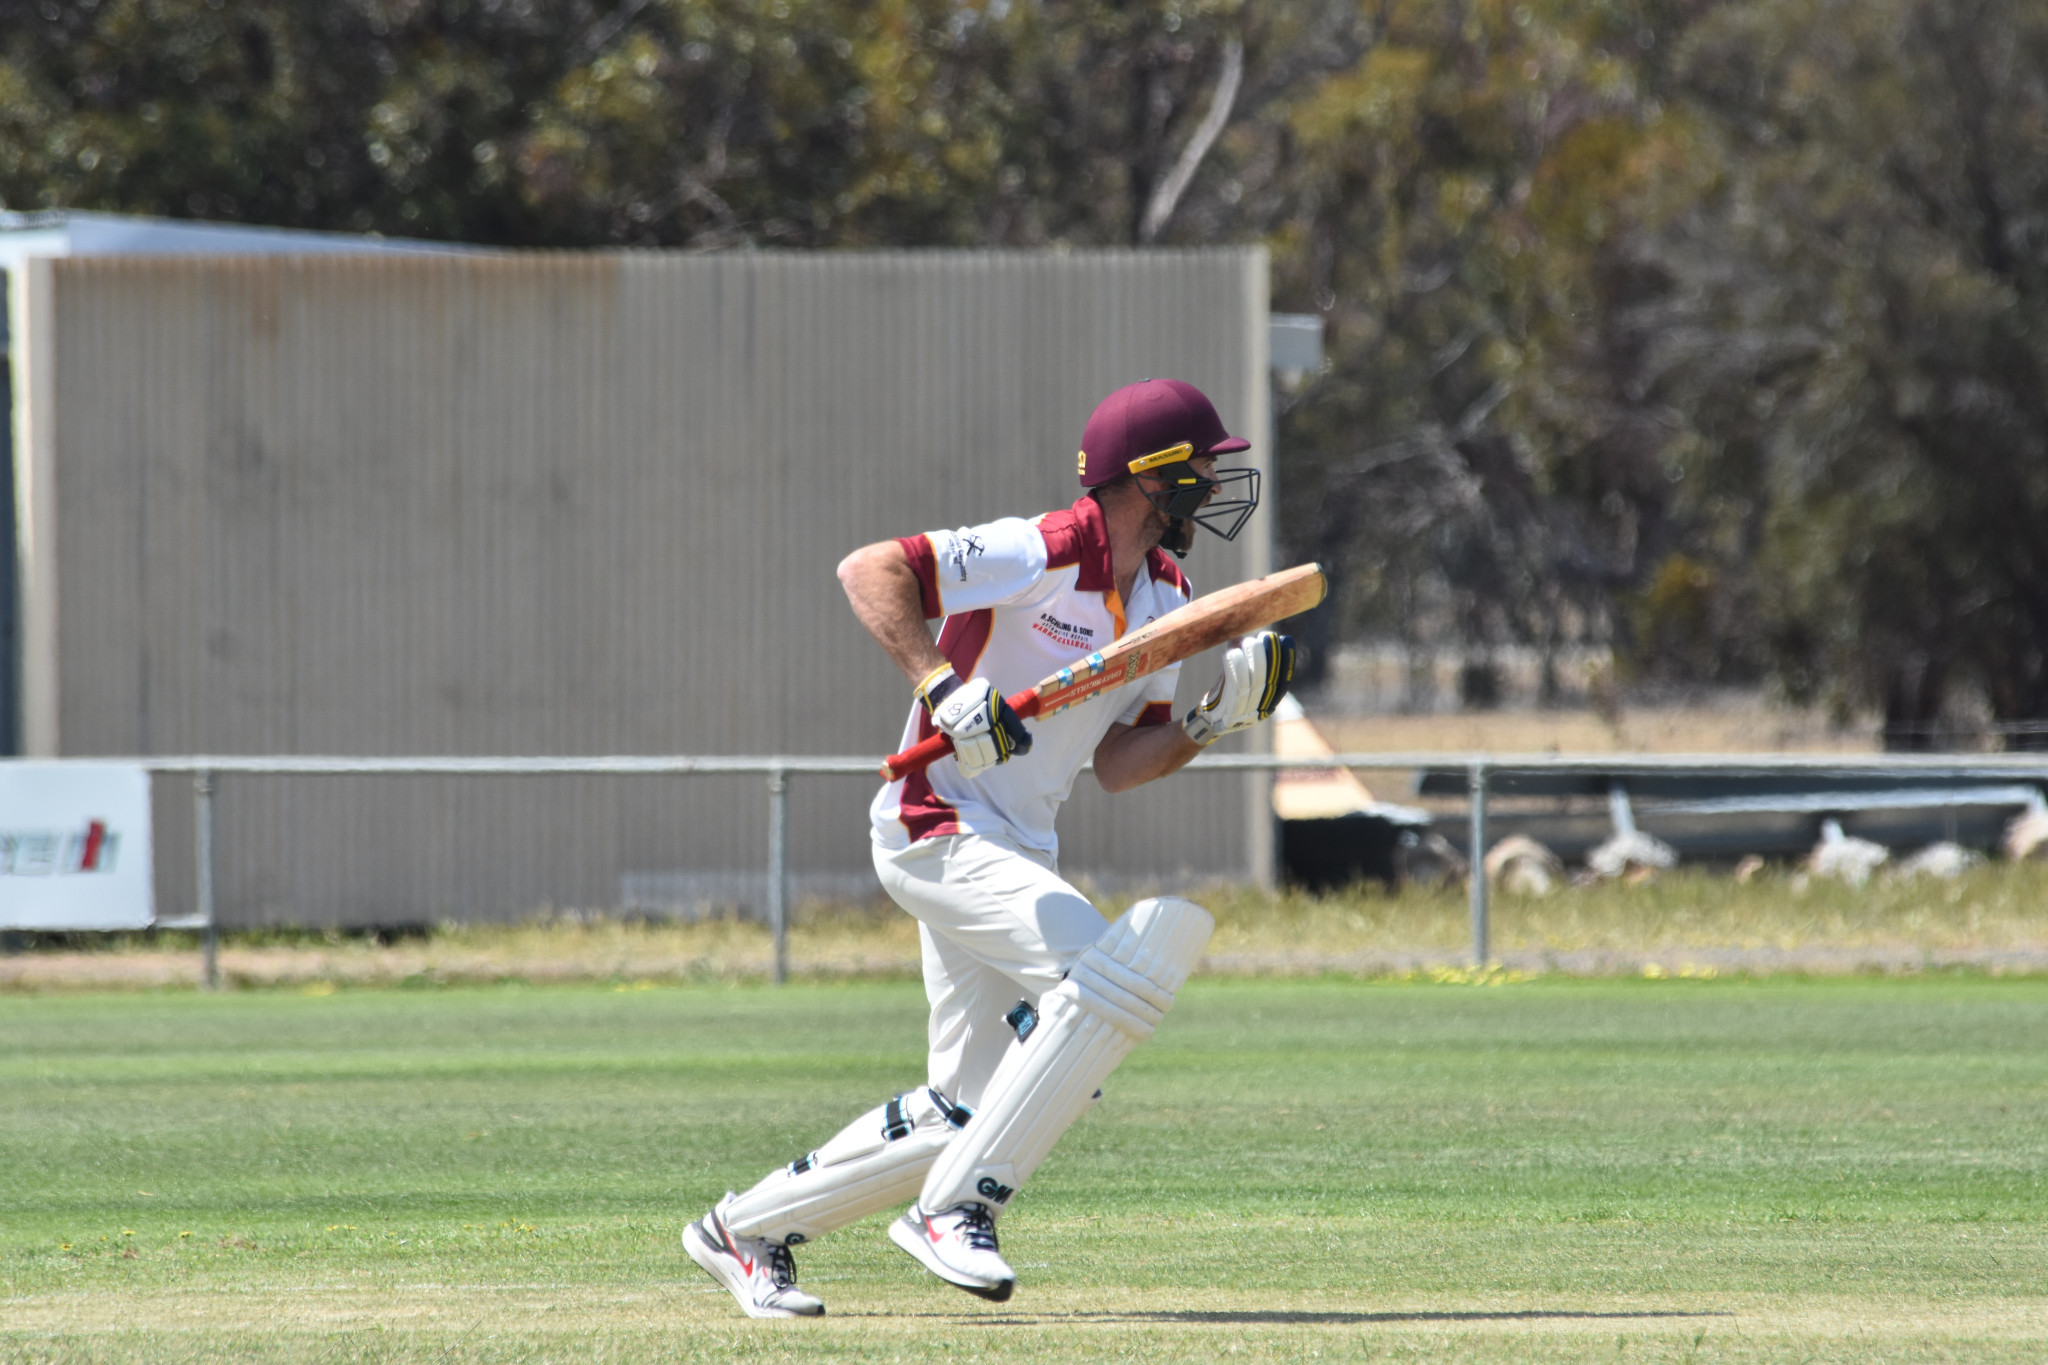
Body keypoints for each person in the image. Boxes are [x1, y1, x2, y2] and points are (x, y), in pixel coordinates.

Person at [683, 377, 1295, 1317]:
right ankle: (957, 1211)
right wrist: (942, 684)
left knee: (967, 1109)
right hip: (936, 824)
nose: (1215, 488)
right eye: (1202, 471)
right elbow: (868, 569)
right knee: (1101, 986)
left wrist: (1213, 723)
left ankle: (745, 1228)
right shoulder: (1040, 549)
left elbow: (1124, 763)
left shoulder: (1169, 595)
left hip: (1018, 846)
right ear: (1150, 478)